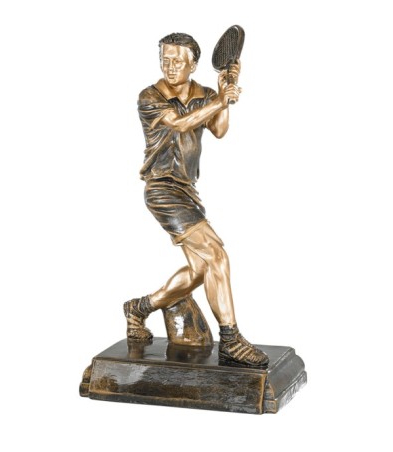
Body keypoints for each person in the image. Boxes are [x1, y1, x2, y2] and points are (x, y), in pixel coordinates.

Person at [124, 32, 268, 367]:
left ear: (193, 64)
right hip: (162, 189)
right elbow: (179, 124)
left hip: (187, 190)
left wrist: (225, 93)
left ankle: (139, 308)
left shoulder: (204, 94)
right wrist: (219, 101)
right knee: (217, 256)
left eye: (177, 60)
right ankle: (230, 339)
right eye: (165, 59)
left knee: (201, 269)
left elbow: (218, 129)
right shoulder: (150, 96)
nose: (170, 66)